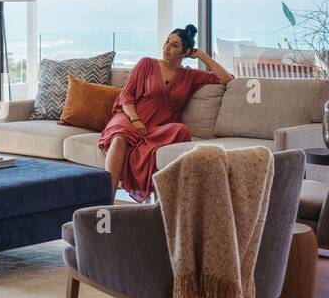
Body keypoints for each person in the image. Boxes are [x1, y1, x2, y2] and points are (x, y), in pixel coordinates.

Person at [97, 25, 234, 201]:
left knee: (181, 130)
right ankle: (106, 202)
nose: (167, 47)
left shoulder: (190, 76)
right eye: (167, 41)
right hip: (130, 118)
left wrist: (201, 55)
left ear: (185, 52)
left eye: (174, 45)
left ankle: (142, 146)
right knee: (119, 139)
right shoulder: (146, 64)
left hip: (156, 128)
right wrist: (135, 119)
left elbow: (226, 79)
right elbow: (126, 96)